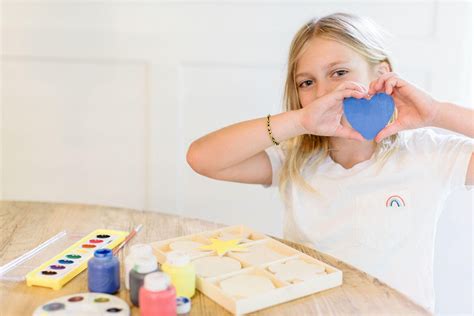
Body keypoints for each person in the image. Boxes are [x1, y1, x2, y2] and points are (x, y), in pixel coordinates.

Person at [186, 13, 474, 313]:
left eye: (338, 72)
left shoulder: (426, 153)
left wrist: (437, 112)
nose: (323, 92)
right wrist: (297, 120)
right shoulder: (295, 158)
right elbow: (202, 158)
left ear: (382, 73)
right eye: (307, 82)